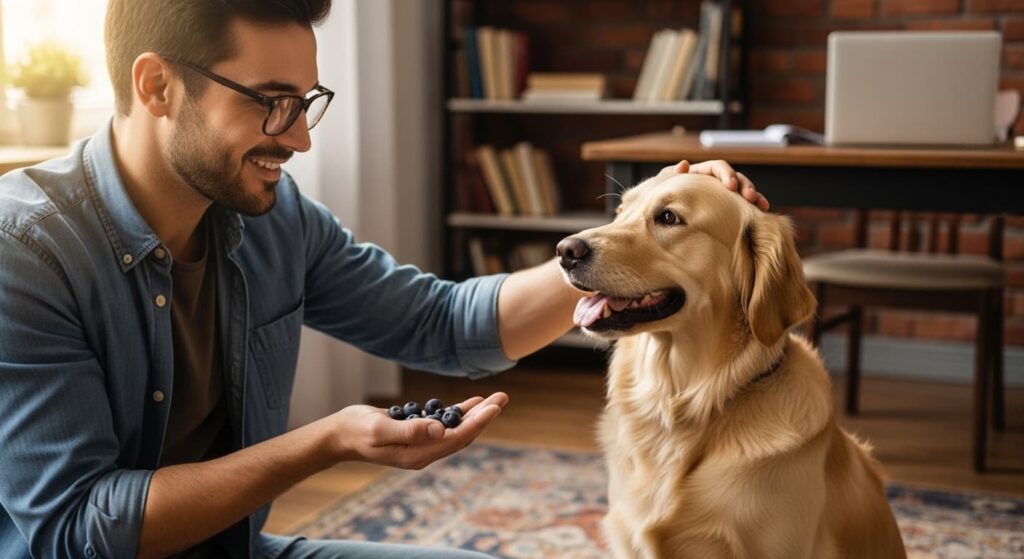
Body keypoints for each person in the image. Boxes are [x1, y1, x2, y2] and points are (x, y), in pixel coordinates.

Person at [0, 1, 767, 557]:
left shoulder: (273, 217)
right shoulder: (25, 250)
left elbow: (442, 323)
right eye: (272, 103)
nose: (298, 136)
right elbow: (77, 531)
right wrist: (327, 441)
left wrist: (635, 242)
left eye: (306, 103)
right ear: (157, 86)